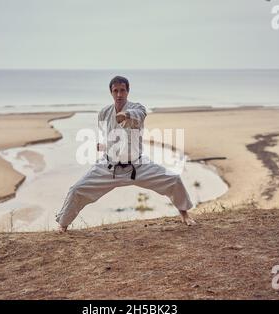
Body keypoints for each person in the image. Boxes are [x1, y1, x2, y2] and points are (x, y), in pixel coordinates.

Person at [55, 76, 196, 233]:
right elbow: (111, 137)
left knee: (173, 180)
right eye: (115, 91)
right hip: (109, 167)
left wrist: (126, 115)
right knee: (77, 189)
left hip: (138, 166)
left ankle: (184, 214)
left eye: (122, 90)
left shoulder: (138, 108)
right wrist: (104, 146)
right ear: (111, 92)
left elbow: (140, 114)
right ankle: (63, 224)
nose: (119, 94)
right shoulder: (103, 113)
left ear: (128, 91)